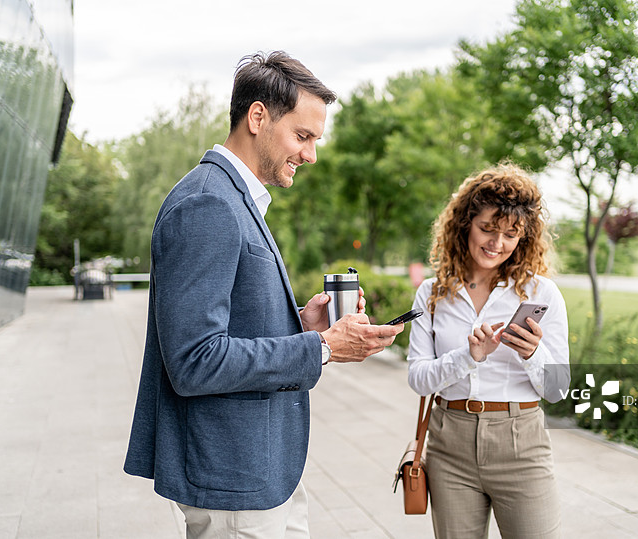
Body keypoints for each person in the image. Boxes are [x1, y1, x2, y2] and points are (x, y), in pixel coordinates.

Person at [123, 51, 404, 539]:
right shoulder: (209, 202)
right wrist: (323, 347)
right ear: (257, 117)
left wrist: (303, 323)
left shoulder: (234, 197)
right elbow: (194, 360)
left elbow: (230, 327)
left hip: (264, 473)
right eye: (303, 136)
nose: (311, 154)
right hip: (234, 479)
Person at [406, 163, 569, 539]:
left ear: (524, 238)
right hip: (450, 444)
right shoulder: (432, 294)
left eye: (511, 234)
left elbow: (558, 388)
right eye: (487, 229)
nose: (497, 243)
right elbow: (418, 379)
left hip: (521, 443)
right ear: (465, 224)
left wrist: (533, 354)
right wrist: (469, 356)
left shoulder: (542, 294)